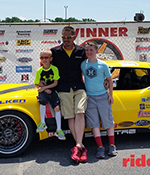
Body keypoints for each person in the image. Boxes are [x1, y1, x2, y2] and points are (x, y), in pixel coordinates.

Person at [51, 26, 88, 163]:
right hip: (63, 88)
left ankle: (78, 146)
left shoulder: (81, 51)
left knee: (80, 112)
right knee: (70, 116)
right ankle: (81, 146)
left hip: (79, 86)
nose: (65, 40)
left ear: (73, 37)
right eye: (63, 37)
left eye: (68, 37)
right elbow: (47, 67)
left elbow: (91, 67)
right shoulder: (54, 52)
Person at [81, 41, 117, 159]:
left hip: (103, 96)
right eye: (87, 50)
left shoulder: (103, 65)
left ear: (97, 51)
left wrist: (110, 95)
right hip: (90, 98)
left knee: (108, 121)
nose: (89, 52)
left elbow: (110, 80)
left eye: (91, 50)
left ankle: (112, 145)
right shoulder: (83, 64)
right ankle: (100, 147)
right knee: (94, 123)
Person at [34, 49, 66, 140]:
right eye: (42, 58)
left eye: (46, 57)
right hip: (44, 92)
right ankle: (42, 123)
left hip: (53, 91)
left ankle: (59, 129)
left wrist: (45, 88)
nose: (44, 59)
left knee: (57, 108)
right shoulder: (39, 71)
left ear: (51, 59)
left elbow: (55, 83)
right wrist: (43, 89)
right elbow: (36, 84)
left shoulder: (54, 69)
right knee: (42, 101)